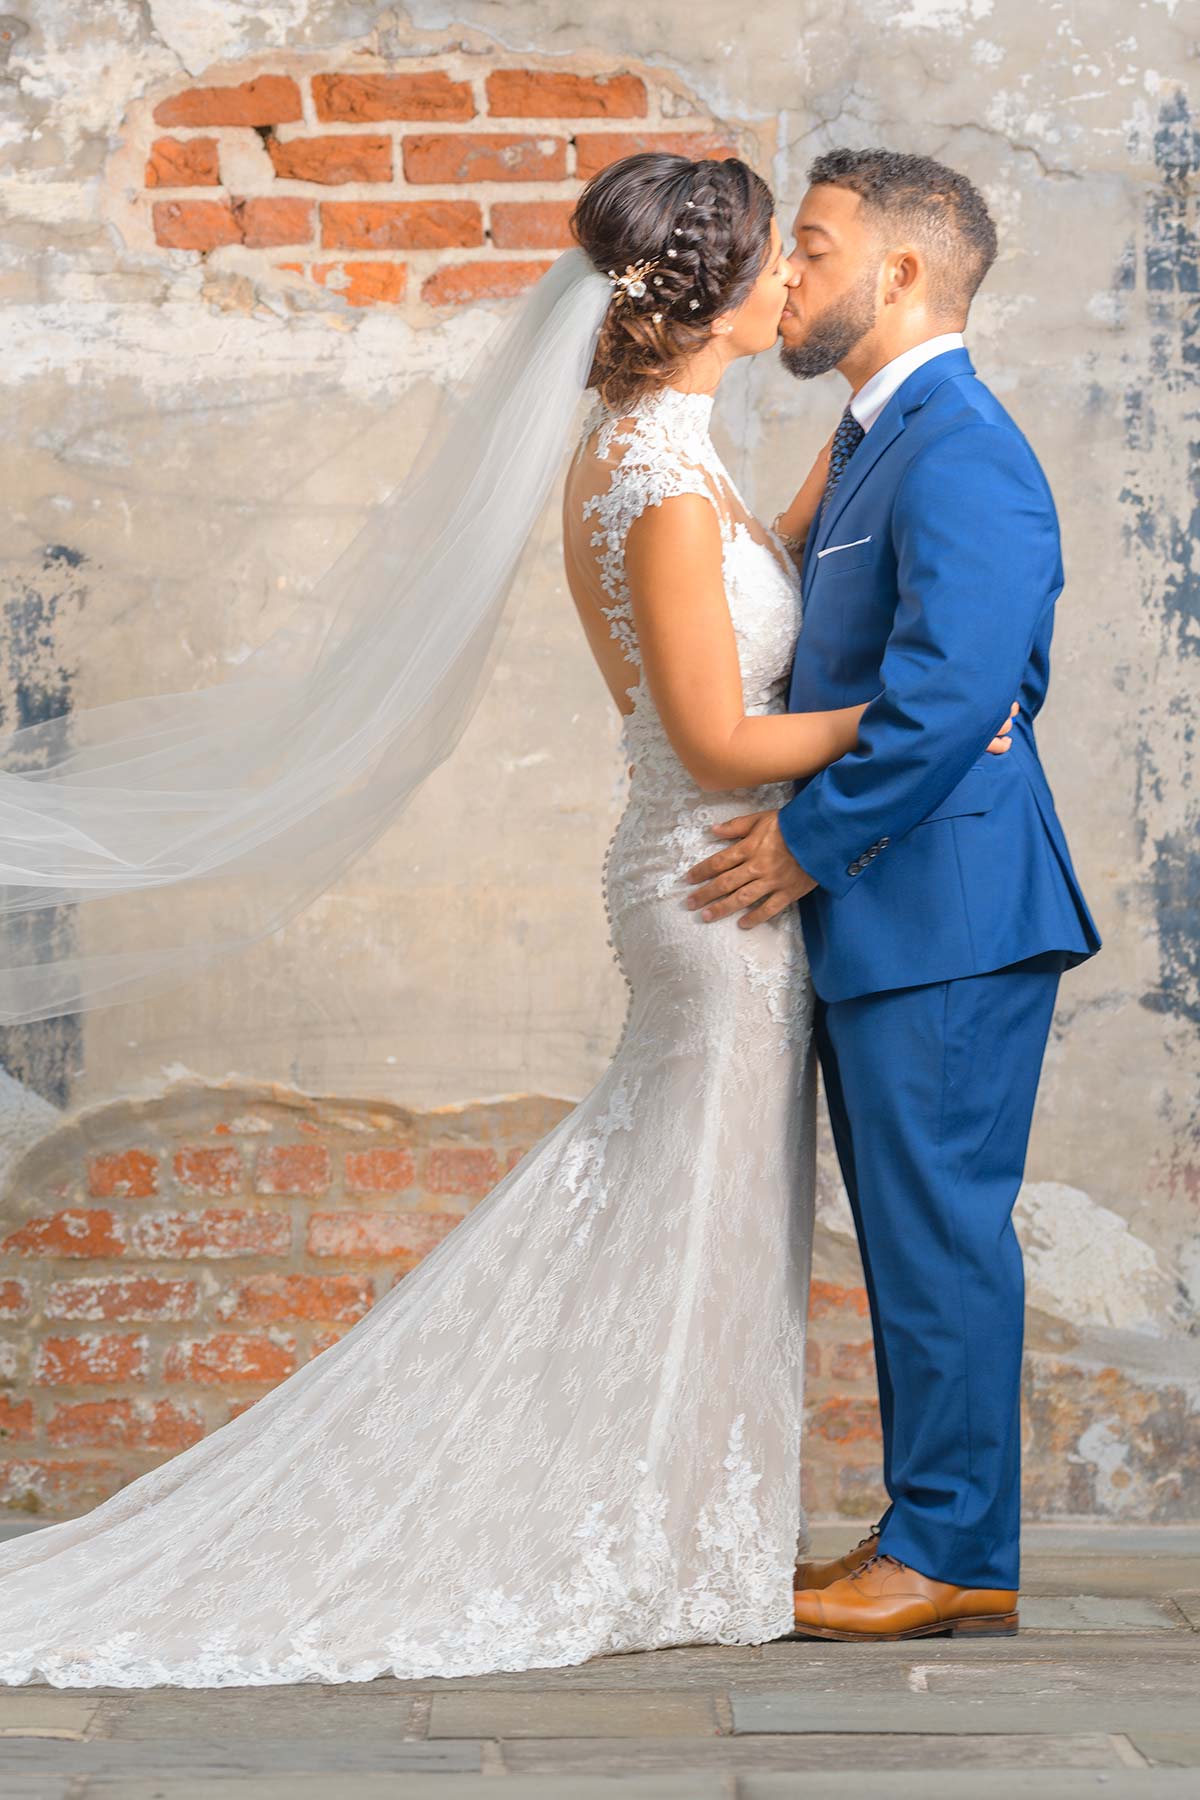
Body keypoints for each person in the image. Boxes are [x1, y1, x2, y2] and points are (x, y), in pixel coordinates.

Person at [0, 150, 1016, 1688]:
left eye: (811, 256)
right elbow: (720, 739)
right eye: (779, 261)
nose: (793, 282)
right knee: (688, 1215)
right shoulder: (658, 487)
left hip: (717, 880)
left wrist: (855, 492)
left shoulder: (674, 456)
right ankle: (633, 1532)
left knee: (695, 1219)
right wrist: (937, 714)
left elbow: (797, 564)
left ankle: (685, 1530)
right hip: (714, 885)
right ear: (721, 295)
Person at [684, 148, 1102, 1640]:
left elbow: (962, 691)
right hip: (904, 904)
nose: (785, 277)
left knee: (938, 1234)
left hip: (951, 906)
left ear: (902, 273)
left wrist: (806, 843)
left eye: (810, 249)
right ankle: (931, 1530)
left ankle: (952, 1553)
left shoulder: (962, 444)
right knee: (916, 1228)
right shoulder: (877, 439)